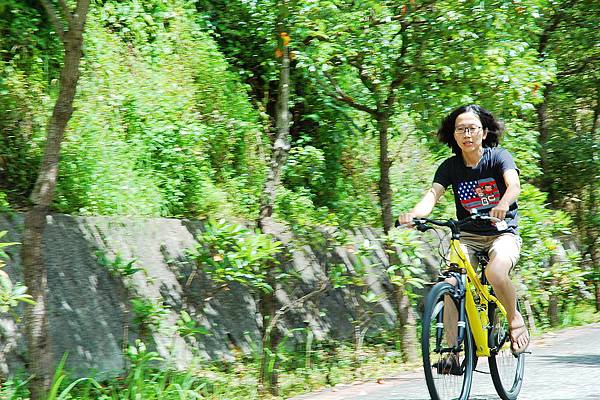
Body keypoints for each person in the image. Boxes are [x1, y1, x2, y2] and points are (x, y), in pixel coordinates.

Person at [398, 104, 530, 363]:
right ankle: (451, 351)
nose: (466, 135)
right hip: (467, 235)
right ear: (453, 135)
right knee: (451, 284)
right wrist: (415, 215)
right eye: (460, 130)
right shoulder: (450, 166)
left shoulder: (499, 157)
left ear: (483, 132)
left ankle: (514, 319)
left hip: (502, 233)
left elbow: (513, 185)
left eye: (472, 129)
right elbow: (433, 194)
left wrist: (502, 203)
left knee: (495, 272)